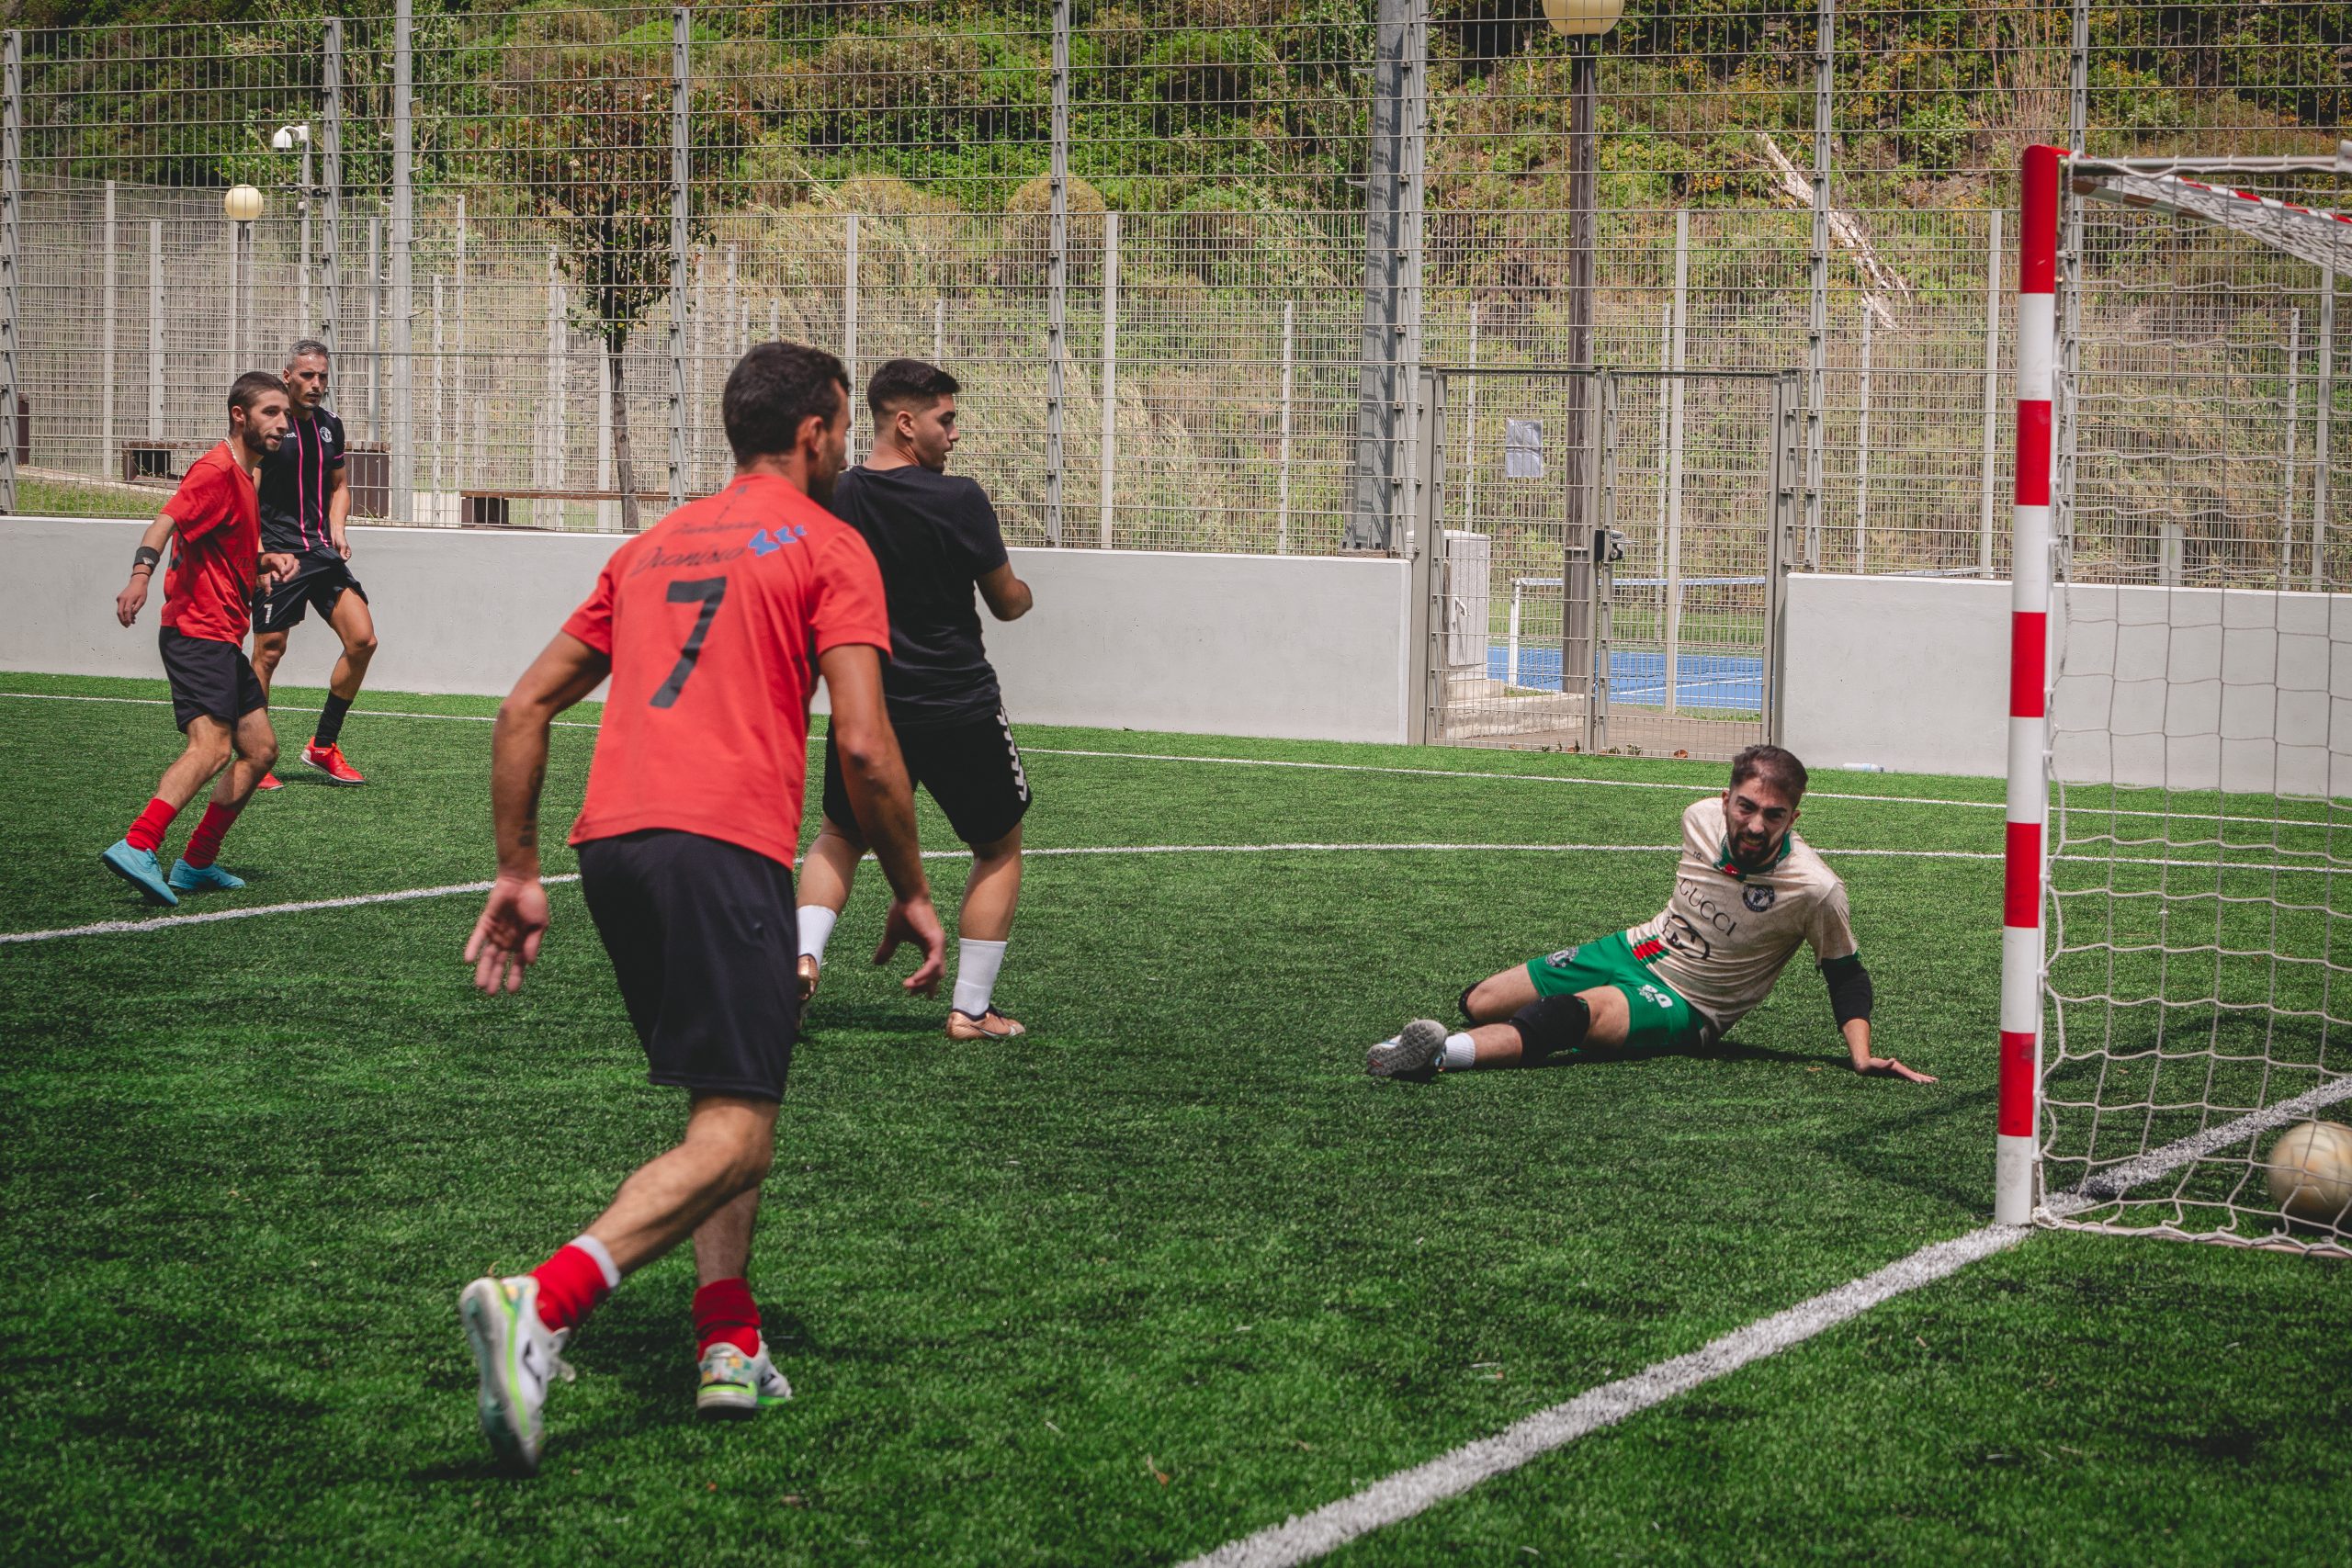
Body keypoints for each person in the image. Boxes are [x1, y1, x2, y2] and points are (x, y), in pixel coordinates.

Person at [457, 341, 947, 1475]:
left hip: (614, 848)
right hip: (721, 846)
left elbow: (523, 706)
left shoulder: (652, 544)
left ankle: (728, 1339)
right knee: (733, 1132)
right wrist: (916, 890)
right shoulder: (833, 545)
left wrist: (519, 870)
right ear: (822, 432)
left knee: (733, 1103)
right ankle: (544, 1301)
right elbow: (868, 748)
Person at [1365, 745, 1935, 1085]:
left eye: (1774, 814)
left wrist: (1859, 1057)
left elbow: (1846, 974)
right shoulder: (1698, 819)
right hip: (1636, 948)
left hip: (1691, 1006)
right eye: (1746, 807)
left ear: (1794, 816)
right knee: (1479, 1000)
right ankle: (1419, 1042)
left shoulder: (1815, 888)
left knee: (1573, 1014)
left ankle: (1437, 1056)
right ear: (1724, 799)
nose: (1756, 825)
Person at [794, 358, 1036, 1042]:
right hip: (958, 703)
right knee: (998, 846)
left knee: (841, 835)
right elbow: (1005, 600)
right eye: (946, 419)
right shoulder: (958, 499)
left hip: (867, 703)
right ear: (906, 423)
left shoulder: (834, 495)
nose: (954, 435)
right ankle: (972, 1009)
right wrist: (1026, 595)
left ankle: (803, 956)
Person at [102, 372, 299, 907]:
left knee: (259, 751)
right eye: (270, 413)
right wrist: (140, 576)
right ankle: (139, 843)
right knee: (211, 749)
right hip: (196, 634)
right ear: (241, 415)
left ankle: (195, 864)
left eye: (284, 414)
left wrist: (263, 561)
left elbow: (224, 547)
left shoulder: (247, 478)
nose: (282, 423)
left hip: (221, 637)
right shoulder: (214, 470)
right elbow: (164, 522)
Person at [250, 338, 373, 788]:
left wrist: (338, 529)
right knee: (269, 652)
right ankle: (252, 754)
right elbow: (249, 491)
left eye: (322, 376)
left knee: (363, 640)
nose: (316, 384)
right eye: (307, 375)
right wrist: (258, 552)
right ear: (287, 377)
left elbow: (340, 487)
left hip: (320, 552)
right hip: (278, 554)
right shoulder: (269, 427)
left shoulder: (330, 426)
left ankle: (323, 746)